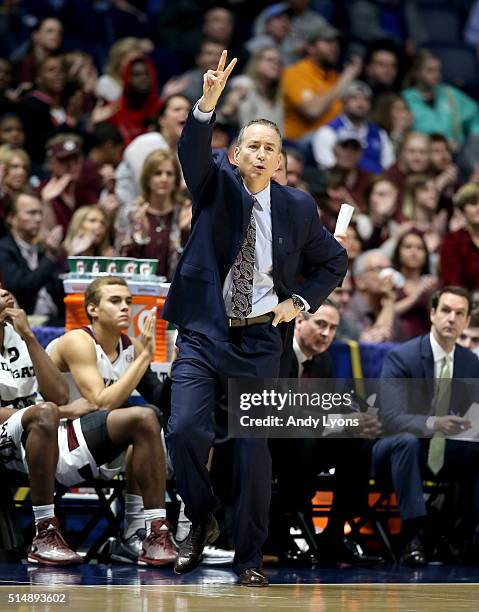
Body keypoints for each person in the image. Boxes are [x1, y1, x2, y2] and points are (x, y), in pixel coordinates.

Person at [163, 50, 348, 587]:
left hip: (262, 340)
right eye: (254, 147)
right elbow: (193, 152)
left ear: (280, 159)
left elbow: (333, 261)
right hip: (204, 331)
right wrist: (207, 104)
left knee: (253, 453)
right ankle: (201, 515)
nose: (263, 155)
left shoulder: (298, 207)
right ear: (237, 154)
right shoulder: (214, 184)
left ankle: (248, 560)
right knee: (186, 429)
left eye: (272, 148)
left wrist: (302, 303)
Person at [0, 287, 175, 567]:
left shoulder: (20, 338)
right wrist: (63, 411)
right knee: (44, 413)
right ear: (92, 308)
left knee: (147, 417)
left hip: (54, 430)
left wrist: (30, 336)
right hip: (28, 431)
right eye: (116, 301)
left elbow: (57, 396)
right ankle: (45, 531)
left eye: (128, 302)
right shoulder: (78, 341)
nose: (126, 308)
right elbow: (95, 403)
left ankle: (154, 531)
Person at [272, 299, 381, 566]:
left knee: (358, 442)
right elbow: (281, 412)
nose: (327, 334)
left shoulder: (323, 363)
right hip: (268, 442)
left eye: (333, 328)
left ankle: (335, 534)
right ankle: (280, 531)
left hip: (306, 445)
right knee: (307, 437)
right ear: (299, 322)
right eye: (321, 324)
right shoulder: (277, 354)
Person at [374, 286, 479, 565]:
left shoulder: (471, 363)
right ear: (432, 314)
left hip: (445, 451)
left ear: (467, 321)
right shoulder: (402, 357)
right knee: (406, 440)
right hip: (396, 450)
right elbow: (390, 418)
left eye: (459, 313)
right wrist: (435, 423)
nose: (451, 319)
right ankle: (413, 537)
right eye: (445, 310)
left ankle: (465, 537)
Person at [115, 149, 189, 281]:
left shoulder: (184, 212)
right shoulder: (131, 212)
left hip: (174, 291)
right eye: (157, 173)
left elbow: (192, 262)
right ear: (147, 178)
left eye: (169, 174)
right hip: (137, 289)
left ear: (176, 179)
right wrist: (139, 237)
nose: (164, 179)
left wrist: (185, 234)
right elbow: (120, 259)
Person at [281, 23, 363, 141]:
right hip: (301, 145)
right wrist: (347, 76)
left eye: (336, 43)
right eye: (328, 41)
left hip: (335, 142)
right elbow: (312, 111)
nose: (335, 47)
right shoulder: (294, 73)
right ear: (310, 47)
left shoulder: (335, 77)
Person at [0, 192, 65, 326]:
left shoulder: (42, 249)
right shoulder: (4, 249)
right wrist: (50, 257)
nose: (38, 218)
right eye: (31, 213)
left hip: (55, 318)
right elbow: (22, 289)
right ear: (11, 218)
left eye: (40, 213)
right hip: (25, 322)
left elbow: (60, 291)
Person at [312, 80, 395, 174]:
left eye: (366, 99)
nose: (361, 104)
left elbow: (389, 167)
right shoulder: (328, 132)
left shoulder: (379, 133)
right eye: (354, 98)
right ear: (343, 102)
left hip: (374, 183)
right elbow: (328, 169)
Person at [439, 183, 479, 292]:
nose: (478, 208)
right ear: (462, 210)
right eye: (473, 203)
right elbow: (452, 283)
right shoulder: (452, 241)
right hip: (466, 303)